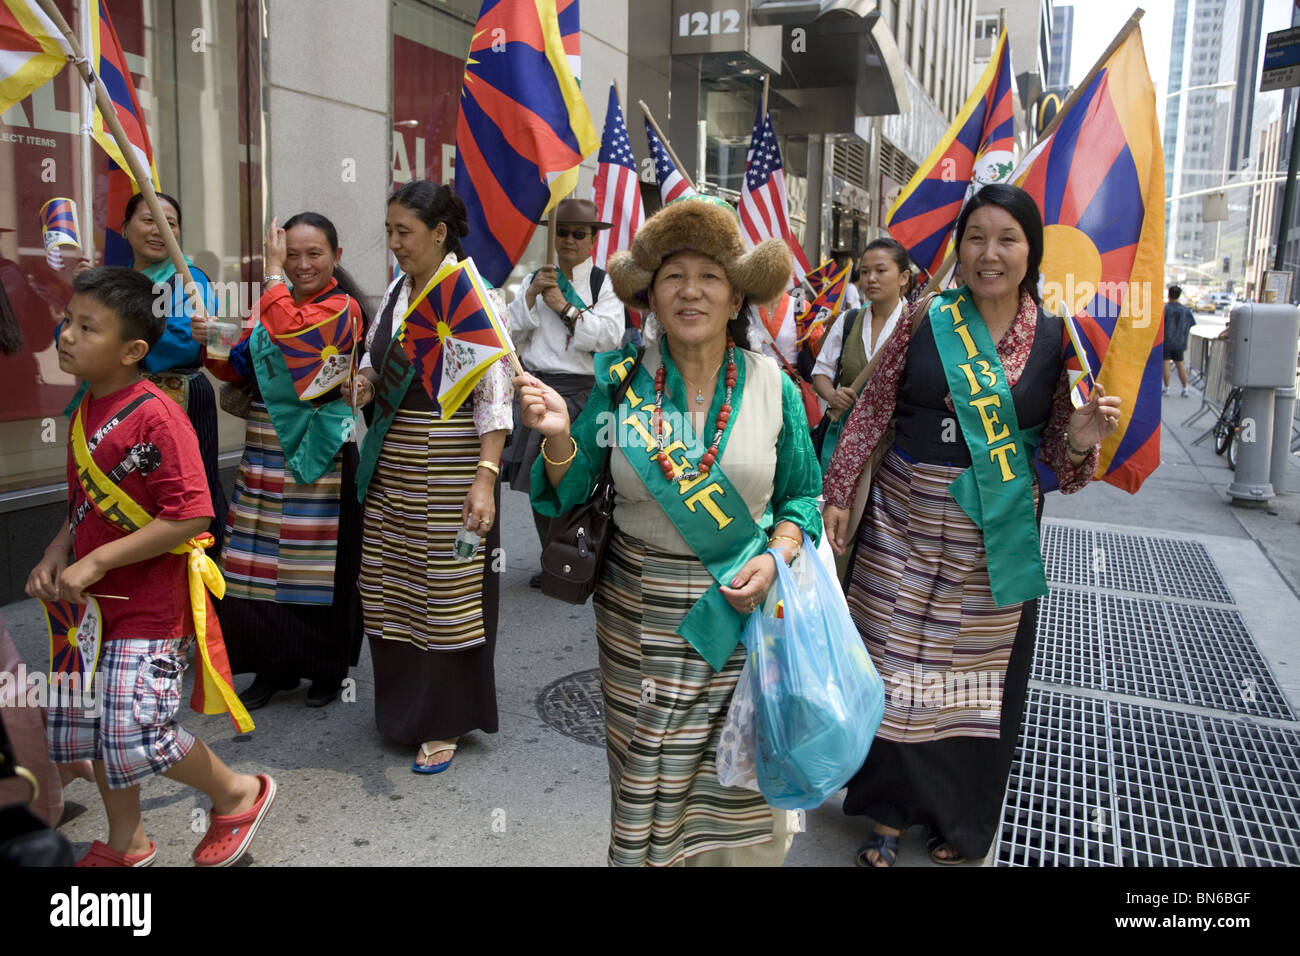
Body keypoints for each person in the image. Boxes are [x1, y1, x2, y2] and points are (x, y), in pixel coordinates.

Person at [821, 184, 1122, 867]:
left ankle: (958, 818)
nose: (990, 254)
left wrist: (1076, 439)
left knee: (972, 683)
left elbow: (1062, 467)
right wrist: (839, 487)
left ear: (1030, 253)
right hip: (903, 520)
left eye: (1007, 239)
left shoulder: (1054, 339)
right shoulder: (926, 317)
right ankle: (887, 813)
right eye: (976, 238)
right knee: (891, 666)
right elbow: (873, 407)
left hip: (994, 534)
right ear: (960, 248)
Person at [518, 195, 823, 866]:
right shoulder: (621, 385)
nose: (691, 291)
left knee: (734, 774)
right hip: (636, 620)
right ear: (650, 298)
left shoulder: (775, 386)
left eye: (710, 276)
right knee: (647, 773)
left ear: (738, 298)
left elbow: (804, 498)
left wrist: (776, 557)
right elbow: (570, 492)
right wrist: (560, 438)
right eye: (673, 276)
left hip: (740, 612)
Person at [25, 267, 272, 867]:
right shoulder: (89, 406)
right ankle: (127, 841)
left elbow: (192, 516)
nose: (66, 336)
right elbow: (86, 501)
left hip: (153, 608)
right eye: (68, 321)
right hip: (93, 608)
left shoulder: (156, 415)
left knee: (138, 731)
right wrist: (60, 550)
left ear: (133, 350)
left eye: (88, 328)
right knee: (101, 727)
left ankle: (236, 792)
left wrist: (98, 560)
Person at [349, 181, 512, 774]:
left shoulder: (472, 296)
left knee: (445, 590)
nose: (393, 243)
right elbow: (372, 355)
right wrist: (365, 382)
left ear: (439, 233)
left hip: (449, 461)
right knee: (391, 581)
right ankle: (402, 710)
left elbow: (495, 398)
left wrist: (485, 478)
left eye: (404, 232)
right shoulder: (398, 290)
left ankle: (443, 719)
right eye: (389, 231)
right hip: (391, 457)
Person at [207, 214, 368, 709]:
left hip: (321, 455)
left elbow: (292, 332)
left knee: (319, 568)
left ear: (336, 259)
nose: (300, 265)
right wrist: (210, 337)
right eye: (290, 254)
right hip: (263, 452)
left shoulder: (343, 309)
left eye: (313, 254)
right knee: (256, 564)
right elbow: (237, 364)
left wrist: (271, 273)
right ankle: (272, 667)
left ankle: (326, 669)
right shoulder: (271, 306)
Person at [503, 198, 625, 586]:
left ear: (592, 240)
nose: (568, 239)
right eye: (562, 231)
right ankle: (551, 559)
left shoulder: (603, 283)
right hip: (541, 389)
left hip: (584, 392)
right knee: (539, 479)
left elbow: (611, 338)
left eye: (578, 233)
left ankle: (581, 554)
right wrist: (530, 298)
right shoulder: (536, 278)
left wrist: (565, 308)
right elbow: (510, 335)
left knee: (581, 482)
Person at [811, 237, 912, 473]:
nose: (871, 278)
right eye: (865, 272)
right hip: (844, 443)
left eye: (881, 270)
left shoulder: (916, 324)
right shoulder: (849, 321)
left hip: (895, 447)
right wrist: (832, 396)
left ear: (903, 277)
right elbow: (820, 374)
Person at [1162, 284, 1196, 397]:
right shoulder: (1185, 310)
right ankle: (1185, 388)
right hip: (1179, 342)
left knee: (1166, 363)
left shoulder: (1164, 309)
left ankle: (1167, 388)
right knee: (1180, 365)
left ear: (1169, 295)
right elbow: (1191, 324)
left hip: (1166, 341)